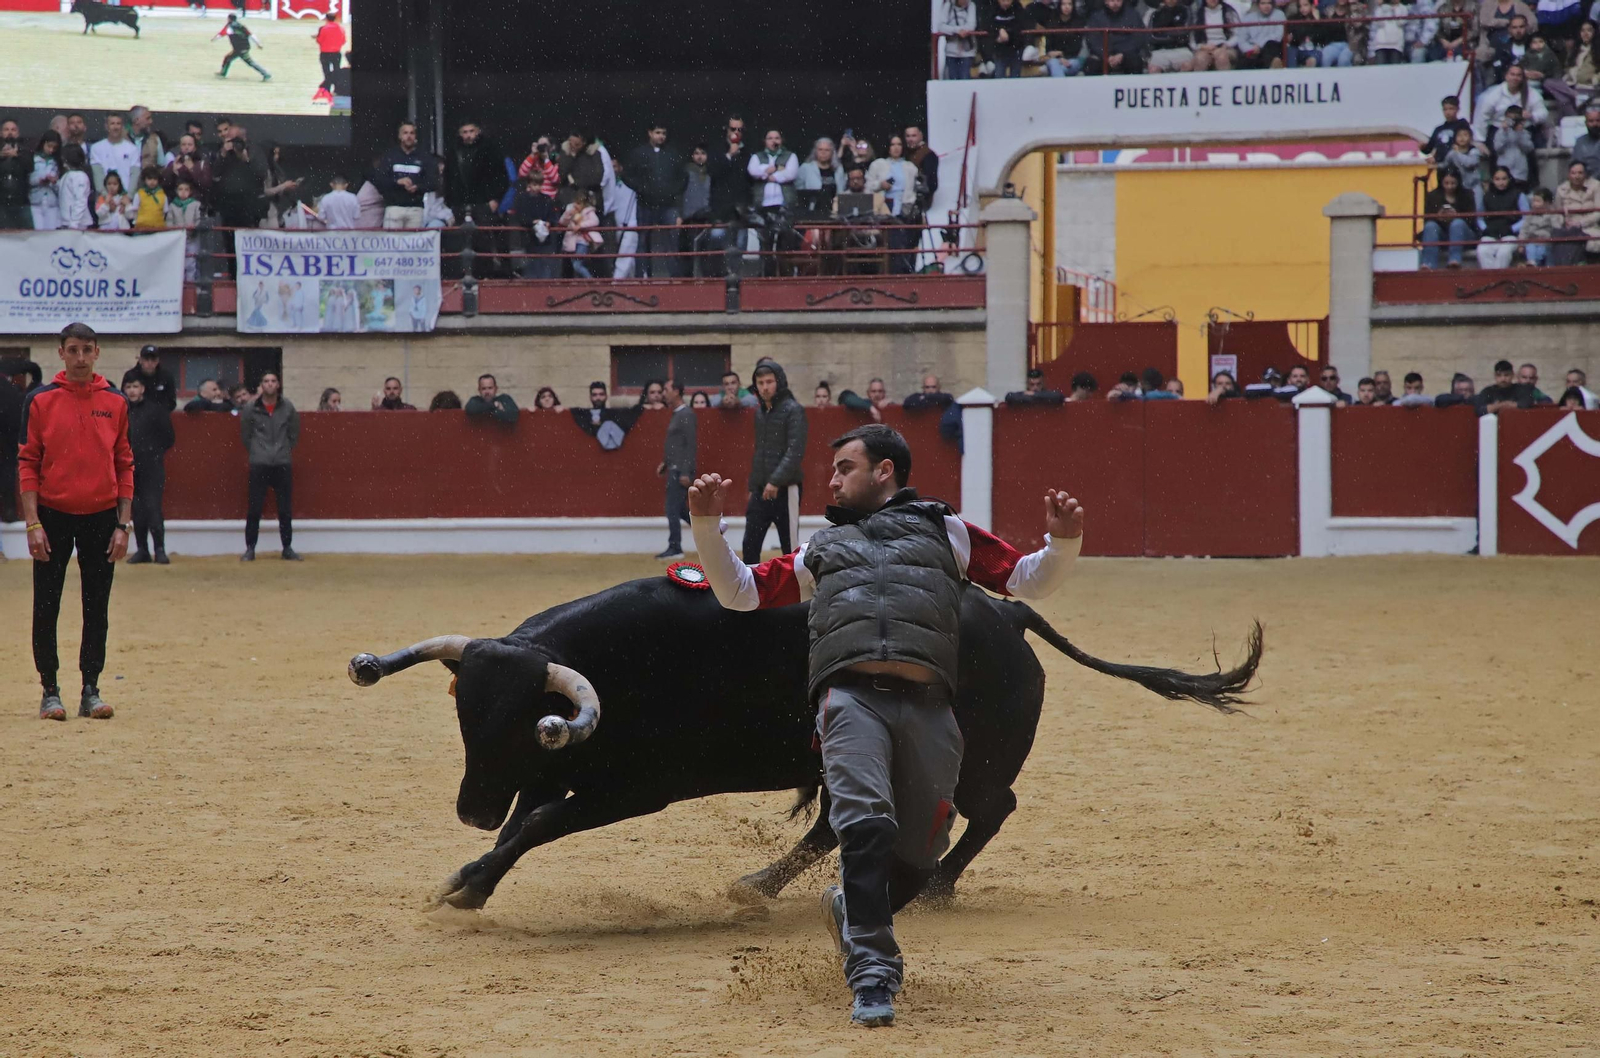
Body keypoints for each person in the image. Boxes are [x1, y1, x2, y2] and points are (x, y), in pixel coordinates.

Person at [686, 424, 1083, 1028]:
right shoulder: (821, 547)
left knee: (923, 851)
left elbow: (1026, 579)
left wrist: (1064, 541)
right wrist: (707, 529)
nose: (833, 479)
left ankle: (852, 909)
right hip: (849, 702)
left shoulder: (944, 528)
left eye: (845, 467)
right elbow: (741, 593)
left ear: (885, 471)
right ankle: (873, 973)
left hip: (929, 707)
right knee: (865, 825)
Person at [18, 323, 133, 720]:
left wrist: (124, 525)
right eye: (73, 350)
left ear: (97, 352)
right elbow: (28, 463)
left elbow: (124, 464)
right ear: (61, 353)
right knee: (46, 605)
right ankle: (50, 689)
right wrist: (33, 524)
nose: (81, 358)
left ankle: (90, 688)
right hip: (53, 517)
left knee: (96, 606)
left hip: (102, 518)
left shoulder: (115, 401)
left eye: (87, 350)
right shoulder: (40, 400)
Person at [743, 360, 807, 563]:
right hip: (761, 489)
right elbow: (759, 452)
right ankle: (750, 593)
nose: (764, 387)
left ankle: (798, 594)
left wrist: (775, 481)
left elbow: (795, 452)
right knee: (749, 545)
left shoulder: (793, 410)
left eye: (769, 381)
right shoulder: (761, 412)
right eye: (760, 382)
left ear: (779, 382)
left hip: (785, 489)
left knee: (790, 548)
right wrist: (754, 486)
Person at [240, 371, 300, 561]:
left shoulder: (288, 407)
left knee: (285, 509)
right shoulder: (251, 408)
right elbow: (246, 435)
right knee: (254, 508)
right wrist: (258, 451)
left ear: (278, 385)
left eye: (273, 381)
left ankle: (287, 547)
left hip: (282, 462)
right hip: (260, 462)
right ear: (261, 385)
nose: (270, 384)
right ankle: (250, 548)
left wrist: (283, 450)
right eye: (266, 381)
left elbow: (294, 434)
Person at [121, 376, 174, 565]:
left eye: (135, 386)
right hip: (130, 466)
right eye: (128, 387)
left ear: (142, 389)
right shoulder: (123, 411)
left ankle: (159, 549)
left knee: (153, 507)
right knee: (137, 509)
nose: (132, 390)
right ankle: (143, 549)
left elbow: (169, 438)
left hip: (151, 465)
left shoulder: (155, 410)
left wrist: (153, 453)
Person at [624, 123, 687, 278]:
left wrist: (673, 191)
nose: (661, 136)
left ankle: (675, 277)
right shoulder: (639, 153)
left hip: (668, 204)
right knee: (643, 241)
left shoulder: (672, 154)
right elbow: (626, 175)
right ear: (650, 133)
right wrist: (641, 188)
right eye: (658, 132)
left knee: (672, 242)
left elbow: (683, 177)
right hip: (645, 204)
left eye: (664, 133)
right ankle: (643, 276)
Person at [656, 378, 697, 559]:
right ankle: (710, 533)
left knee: (672, 509)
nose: (663, 393)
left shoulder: (685, 414)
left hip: (680, 470)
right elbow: (677, 444)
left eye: (666, 389)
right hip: (675, 467)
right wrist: (665, 463)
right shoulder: (679, 413)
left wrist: (686, 472)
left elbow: (690, 445)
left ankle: (675, 547)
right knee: (679, 510)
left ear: (677, 392)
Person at [376, 122, 434, 229]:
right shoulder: (390, 156)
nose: (409, 136)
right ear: (400, 136)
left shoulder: (424, 157)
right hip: (394, 208)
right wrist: (397, 182)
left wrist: (418, 187)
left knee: (414, 244)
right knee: (392, 244)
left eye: (412, 133)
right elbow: (380, 180)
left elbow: (433, 182)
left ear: (415, 136)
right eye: (405, 133)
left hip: (415, 209)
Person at [1421, 168, 1474, 269]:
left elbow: (1472, 221)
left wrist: (1457, 215)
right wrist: (1439, 217)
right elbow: (1427, 220)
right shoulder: (1433, 196)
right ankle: (1428, 264)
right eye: (1446, 183)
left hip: (1464, 235)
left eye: (1453, 183)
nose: (1450, 186)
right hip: (1442, 234)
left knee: (1457, 223)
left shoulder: (1467, 195)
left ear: (1458, 182)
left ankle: (1455, 260)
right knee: (1430, 226)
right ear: (1441, 182)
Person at [1478, 167, 1528, 268]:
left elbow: (1527, 217)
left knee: (1503, 253)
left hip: (1511, 235)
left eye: (1504, 179)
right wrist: (1486, 228)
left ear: (1509, 179)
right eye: (1497, 179)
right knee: (1482, 251)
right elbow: (1479, 217)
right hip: (1490, 235)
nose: (1501, 182)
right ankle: (1490, 281)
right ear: (1493, 180)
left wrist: (1512, 229)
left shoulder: (1518, 195)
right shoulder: (1487, 196)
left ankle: (1498, 280)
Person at [1085, 0, 1147, 73]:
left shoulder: (1133, 15)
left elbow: (1138, 38)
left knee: (1135, 62)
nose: (1115, 3)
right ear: (1105, 1)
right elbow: (1093, 40)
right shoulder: (1096, 17)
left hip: (1126, 55)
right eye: (1112, 0)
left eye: (1118, 0)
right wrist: (1107, 56)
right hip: (1103, 55)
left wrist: (1122, 54)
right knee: (1091, 65)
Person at [983, 0, 1035, 78]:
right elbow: (987, 25)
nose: (1006, 3)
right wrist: (999, 31)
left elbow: (1021, 25)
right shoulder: (992, 7)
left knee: (1015, 77)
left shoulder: (1017, 7)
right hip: (999, 49)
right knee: (999, 76)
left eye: (1008, 0)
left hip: (1016, 47)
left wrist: (1008, 34)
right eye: (1003, 1)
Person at [559, 190, 602, 278]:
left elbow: (595, 221)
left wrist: (581, 225)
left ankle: (590, 280)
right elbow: (562, 222)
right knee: (574, 265)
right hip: (571, 242)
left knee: (577, 265)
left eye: (579, 203)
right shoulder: (570, 210)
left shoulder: (588, 212)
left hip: (582, 242)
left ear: (584, 204)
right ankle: (581, 282)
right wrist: (568, 214)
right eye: (575, 202)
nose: (576, 205)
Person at [214, 15, 271, 81]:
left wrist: (215, 38)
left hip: (240, 49)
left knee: (250, 62)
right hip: (243, 47)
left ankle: (266, 74)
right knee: (228, 58)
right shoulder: (241, 26)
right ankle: (223, 73)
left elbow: (222, 34)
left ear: (229, 19)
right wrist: (258, 43)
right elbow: (251, 35)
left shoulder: (229, 27)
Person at [121, 346, 178, 411]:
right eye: (146, 359)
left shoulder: (166, 377)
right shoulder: (131, 376)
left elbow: (171, 402)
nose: (150, 363)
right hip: (135, 415)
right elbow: (123, 398)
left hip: (159, 416)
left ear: (158, 361)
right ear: (140, 360)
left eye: (153, 359)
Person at [0, 119, 31, 230]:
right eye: (6, 129)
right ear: (1, 133)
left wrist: (17, 156)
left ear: (18, 133)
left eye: (13, 130)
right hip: (1, 201)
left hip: (21, 201)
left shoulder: (25, 150)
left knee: (25, 233)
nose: (10, 132)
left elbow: (30, 167)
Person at [28, 130, 61, 231]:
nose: (51, 150)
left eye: (54, 148)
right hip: (35, 201)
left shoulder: (57, 161)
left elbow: (61, 185)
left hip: (52, 202)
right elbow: (29, 179)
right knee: (38, 231)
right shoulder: (33, 159)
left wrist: (54, 181)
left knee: (50, 233)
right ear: (43, 143)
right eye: (49, 146)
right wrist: (40, 180)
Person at [939, 0, 980, 80]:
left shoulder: (971, 5)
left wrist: (961, 31)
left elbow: (971, 25)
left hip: (967, 52)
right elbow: (941, 26)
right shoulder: (948, 5)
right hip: (951, 52)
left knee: (965, 79)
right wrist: (957, 31)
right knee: (951, 79)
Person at [313, 12, 346, 104]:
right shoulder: (341, 28)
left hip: (325, 53)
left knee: (326, 71)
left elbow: (319, 40)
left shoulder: (323, 28)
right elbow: (343, 40)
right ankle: (337, 88)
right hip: (336, 52)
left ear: (326, 19)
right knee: (337, 71)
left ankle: (326, 88)